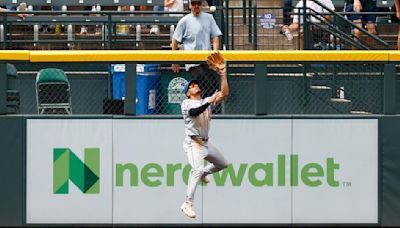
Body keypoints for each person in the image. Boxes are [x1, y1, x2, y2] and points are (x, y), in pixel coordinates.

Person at [180, 52, 229, 219]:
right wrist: (209, 101)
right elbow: (194, 112)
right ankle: (187, 203)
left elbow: (224, 94)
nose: (194, 85)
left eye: (195, 84)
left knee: (222, 164)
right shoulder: (186, 103)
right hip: (194, 144)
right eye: (191, 85)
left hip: (206, 143)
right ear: (188, 92)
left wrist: (223, 75)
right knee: (196, 169)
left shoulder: (206, 100)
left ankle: (205, 174)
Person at [171, 0, 222, 98]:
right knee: (202, 81)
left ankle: (211, 109)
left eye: (198, 3)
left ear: (202, 5)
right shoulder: (184, 21)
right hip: (192, 62)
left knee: (213, 84)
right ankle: (201, 107)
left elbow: (215, 36)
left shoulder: (209, 18)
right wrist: (175, 60)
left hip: (207, 60)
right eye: (194, 3)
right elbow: (175, 40)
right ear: (190, 5)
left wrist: (215, 53)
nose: (196, 6)